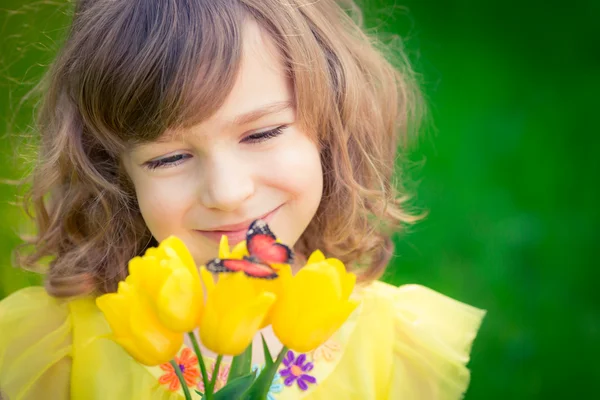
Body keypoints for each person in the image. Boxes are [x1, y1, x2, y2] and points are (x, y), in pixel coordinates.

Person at [0, 0, 485, 399]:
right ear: (114, 174)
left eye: (262, 133)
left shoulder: (388, 347)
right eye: (168, 159)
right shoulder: (62, 349)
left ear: (331, 127)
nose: (229, 194)